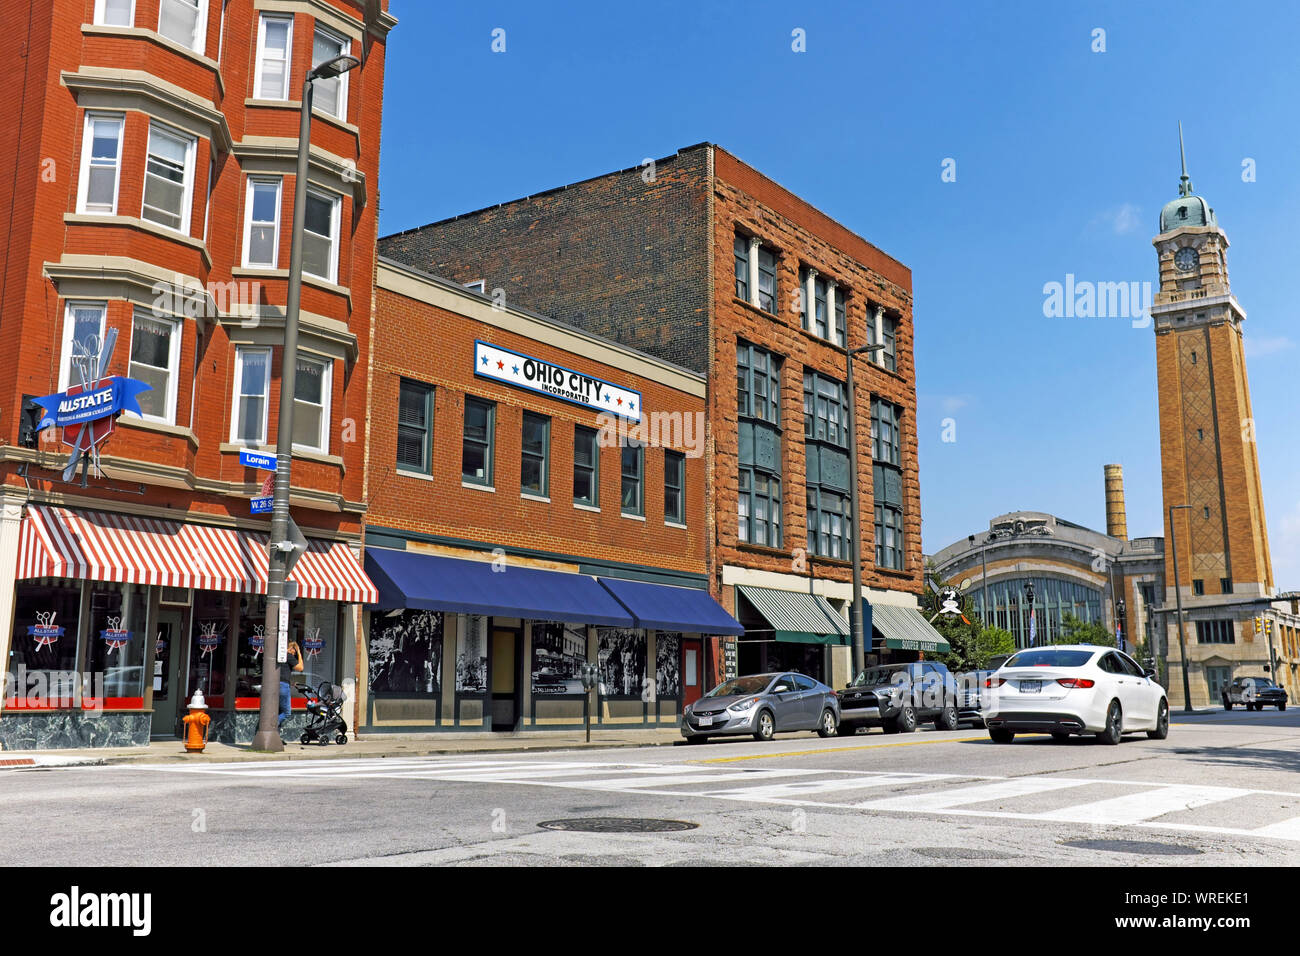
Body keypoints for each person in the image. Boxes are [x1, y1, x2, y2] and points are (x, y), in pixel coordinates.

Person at [279, 638, 304, 732]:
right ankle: (271, 729)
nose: (294, 653)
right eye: (295, 650)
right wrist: (299, 654)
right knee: (286, 713)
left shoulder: (280, 656)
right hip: (283, 686)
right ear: (292, 649)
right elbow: (301, 667)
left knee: (279, 711)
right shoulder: (288, 656)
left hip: (276, 685)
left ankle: (276, 734)